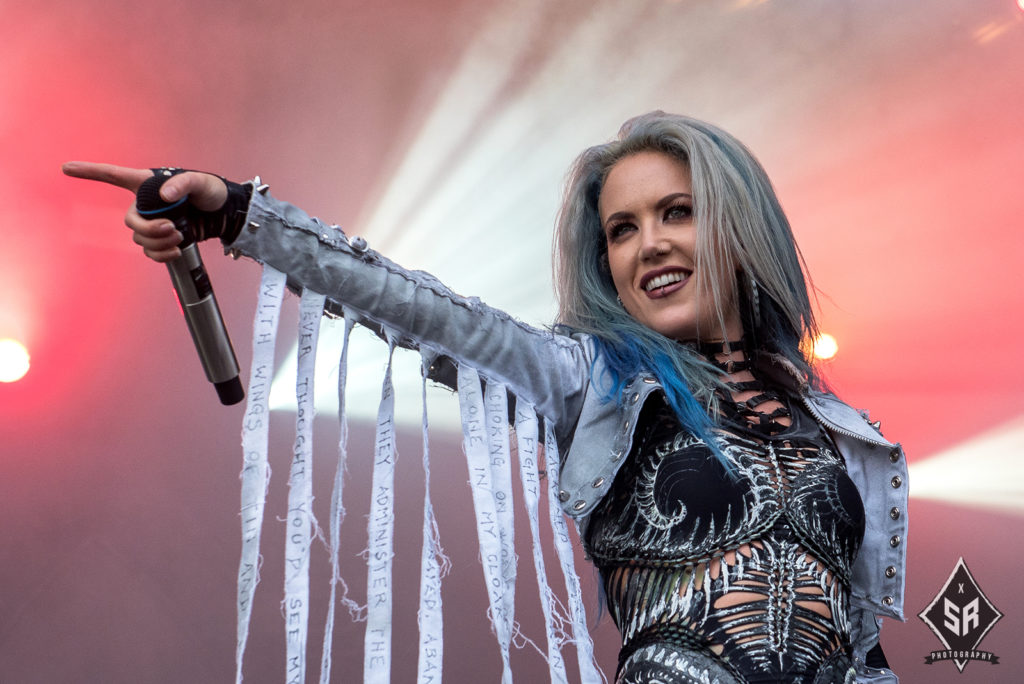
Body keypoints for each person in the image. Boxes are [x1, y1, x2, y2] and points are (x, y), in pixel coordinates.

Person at [64, 111, 907, 683]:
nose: (650, 245)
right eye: (622, 229)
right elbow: (429, 312)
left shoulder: (838, 430)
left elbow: (862, 645)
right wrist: (242, 215)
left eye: (678, 213)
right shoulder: (595, 379)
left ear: (737, 224)